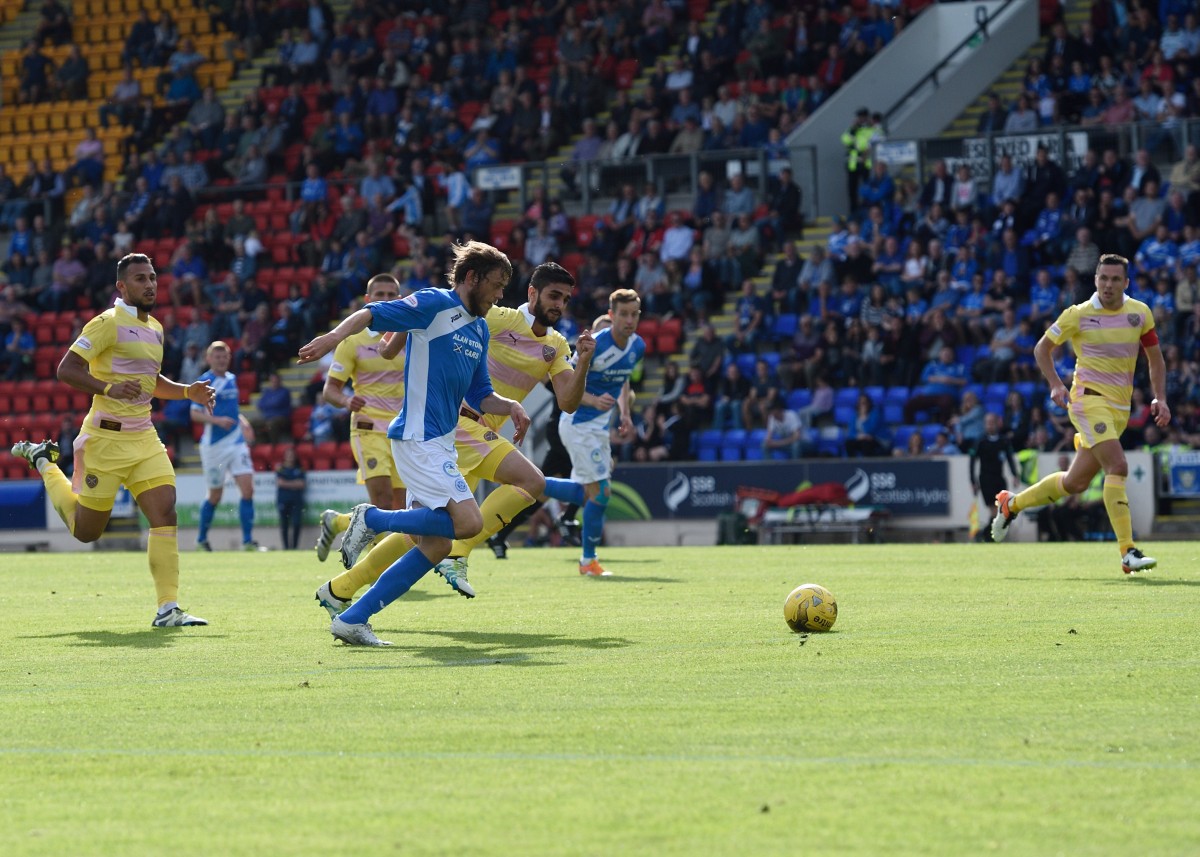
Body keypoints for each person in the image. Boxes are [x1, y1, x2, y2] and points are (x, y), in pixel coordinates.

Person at [316, 262, 596, 607]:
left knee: (424, 534)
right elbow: (435, 316)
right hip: (459, 425)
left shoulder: (555, 345)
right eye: (554, 296)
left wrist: (583, 362)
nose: (559, 305)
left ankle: (341, 588)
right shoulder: (496, 317)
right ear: (532, 293)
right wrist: (397, 335)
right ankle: (456, 549)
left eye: (566, 299)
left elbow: (568, 402)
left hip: (475, 435)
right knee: (529, 483)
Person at [296, 241, 531, 646]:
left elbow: (480, 394)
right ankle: (371, 519)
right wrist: (333, 336)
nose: (498, 296)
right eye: (495, 285)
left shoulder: (477, 328)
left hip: (440, 443)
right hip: (418, 437)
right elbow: (372, 313)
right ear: (471, 278)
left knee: (437, 544)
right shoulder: (434, 304)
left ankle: (352, 618)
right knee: (469, 523)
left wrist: (508, 405)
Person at [10, 253, 214, 627]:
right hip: (104, 440)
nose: (149, 284)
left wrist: (188, 393)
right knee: (86, 532)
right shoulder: (106, 322)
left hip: (144, 436)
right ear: (122, 286)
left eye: (152, 277)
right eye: (140, 279)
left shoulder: (155, 328)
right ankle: (43, 461)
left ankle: (168, 609)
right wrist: (108, 387)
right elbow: (66, 369)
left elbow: (151, 381)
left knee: (165, 512)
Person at [992, 254, 1170, 574]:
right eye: (1103, 278)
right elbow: (1041, 348)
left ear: (1126, 283)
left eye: (1116, 279)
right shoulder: (1079, 314)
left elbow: (1155, 359)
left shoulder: (1140, 313)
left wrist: (1160, 397)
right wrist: (1056, 385)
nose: (1108, 285)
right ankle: (1128, 552)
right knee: (1118, 465)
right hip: (1087, 400)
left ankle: (1011, 504)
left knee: (1075, 484)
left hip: (1118, 408)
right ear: (1096, 280)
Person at [541, 289, 645, 577]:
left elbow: (622, 381)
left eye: (634, 314)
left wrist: (624, 413)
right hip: (578, 423)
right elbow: (566, 383)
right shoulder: (596, 344)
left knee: (591, 494)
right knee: (600, 494)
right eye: (623, 314)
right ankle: (588, 561)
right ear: (611, 316)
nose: (629, 320)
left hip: (598, 427)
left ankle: (528, 483)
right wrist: (592, 400)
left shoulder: (638, 346)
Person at [312, 274, 408, 562]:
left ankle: (339, 523)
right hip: (367, 426)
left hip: (403, 429)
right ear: (368, 300)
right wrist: (345, 400)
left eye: (393, 294)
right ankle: (378, 567)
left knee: (400, 507)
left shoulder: (410, 335)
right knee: (380, 499)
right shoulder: (352, 340)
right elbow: (330, 390)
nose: (387, 299)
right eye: (380, 293)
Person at [191, 341, 259, 551]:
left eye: (224, 356)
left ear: (229, 358)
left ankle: (248, 542)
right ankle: (201, 540)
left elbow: (232, 409)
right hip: (214, 447)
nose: (221, 360)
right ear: (209, 359)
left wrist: (243, 422)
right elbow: (194, 413)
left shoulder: (232, 379)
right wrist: (218, 421)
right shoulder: (204, 381)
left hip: (236, 442)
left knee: (247, 489)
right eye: (217, 357)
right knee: (215, 495)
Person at [970, 412, 1020, 540]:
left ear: (997, 423)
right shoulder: (980, 441)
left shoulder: (1003, 440)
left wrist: (1015, 475)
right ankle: (987, 536)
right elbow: (972, 461)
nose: (990, 426)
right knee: (994, 510)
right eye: (987, 423)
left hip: (999, 479)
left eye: (992, 423)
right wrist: (973, 481)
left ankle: (984, 535)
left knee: (1002, 511)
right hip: (986, 480)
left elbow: (1009, 458)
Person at [275, 445, 307, 550]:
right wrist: (294, 484)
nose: (290, 457)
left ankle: (295, 547)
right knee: (284, 525)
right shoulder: (281, 469)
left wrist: (287, 483)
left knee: (296, 524)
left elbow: (302, 484)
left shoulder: (299, 469)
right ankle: (286, 547)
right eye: (288, 455)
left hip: (296, 501)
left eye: (291, 455)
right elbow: (280, 483)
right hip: (283, 500)